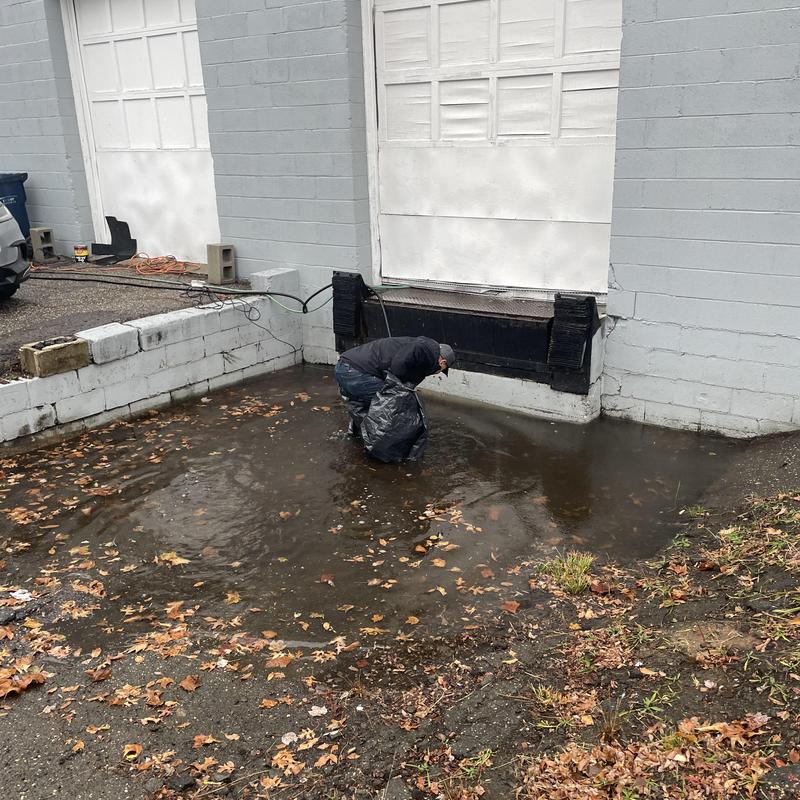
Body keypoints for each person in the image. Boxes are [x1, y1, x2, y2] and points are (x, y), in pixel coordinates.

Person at [335, 336, 456, 435]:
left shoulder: (421, 347)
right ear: (442, 362)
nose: (438, 372)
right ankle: (383, 447)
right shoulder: (424, 349)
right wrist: (397, 386)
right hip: (356, 372)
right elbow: (398, 365)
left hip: (344, 367)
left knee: (364, 406)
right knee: (390, 406)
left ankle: (361, 435)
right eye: (442, 370)